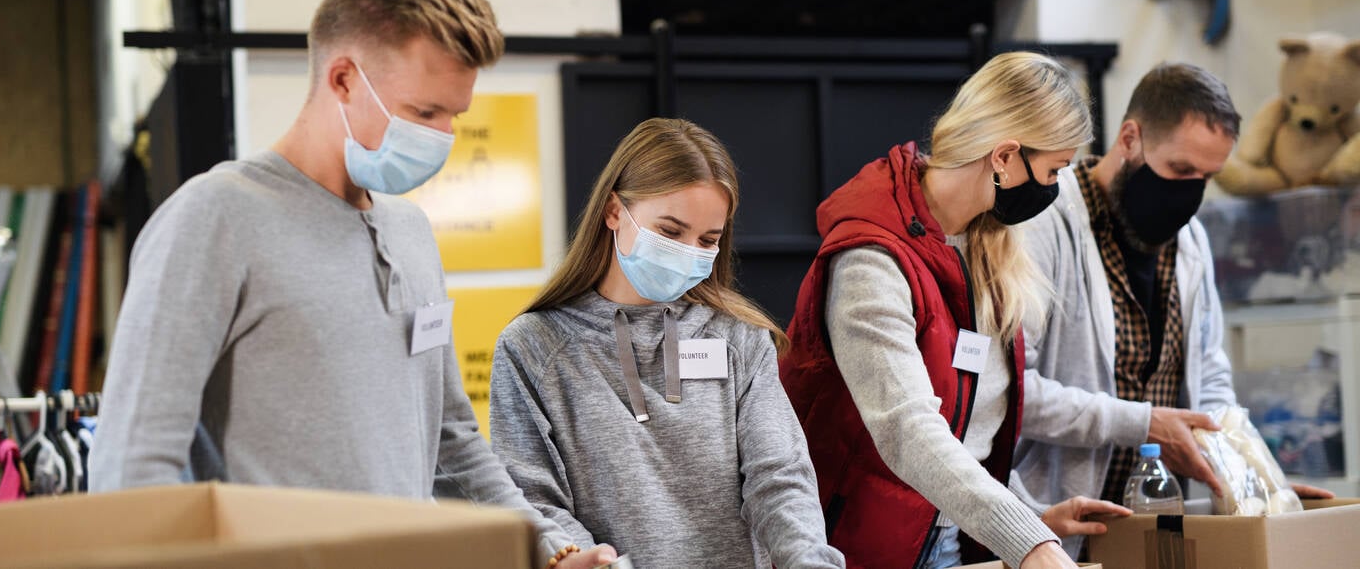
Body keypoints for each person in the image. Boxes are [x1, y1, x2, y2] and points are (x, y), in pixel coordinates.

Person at [89, 0, 614, 569]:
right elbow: (133, 469)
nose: (443, 136)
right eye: (424, 112)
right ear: (342, 79)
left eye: (453, 115)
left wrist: (548, 549)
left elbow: (453, 439)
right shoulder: (215, 219)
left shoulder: (411, 232)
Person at [781, 52, 1130, 569]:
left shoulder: (986, 245)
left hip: (946, 540)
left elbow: (970, 420)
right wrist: (1027, 539)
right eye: (1053, 169)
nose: (1053, 189)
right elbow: (907, 430)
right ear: (1005, 156)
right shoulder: (871, 260)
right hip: (858, 547)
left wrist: (1032, 515)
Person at [489, 118, 844, 569]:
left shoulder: (740, 338)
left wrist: (810, 561)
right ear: (614, 211)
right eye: (671, 232)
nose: (688, 251)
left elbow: (779, 476)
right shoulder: (532, 347)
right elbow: (531, 496)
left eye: (707, 240)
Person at [1011, 62, 1332, 557]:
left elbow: (1210, 378)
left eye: (1208, 177)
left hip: (1157, 529)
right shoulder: (1045, 224)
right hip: (1052, 531)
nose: (1190, 193)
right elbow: (1014, 390)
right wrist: (1142, 424)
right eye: (1181, 170)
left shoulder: (1191, 240)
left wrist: (1258, 481)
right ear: (1130, 138)